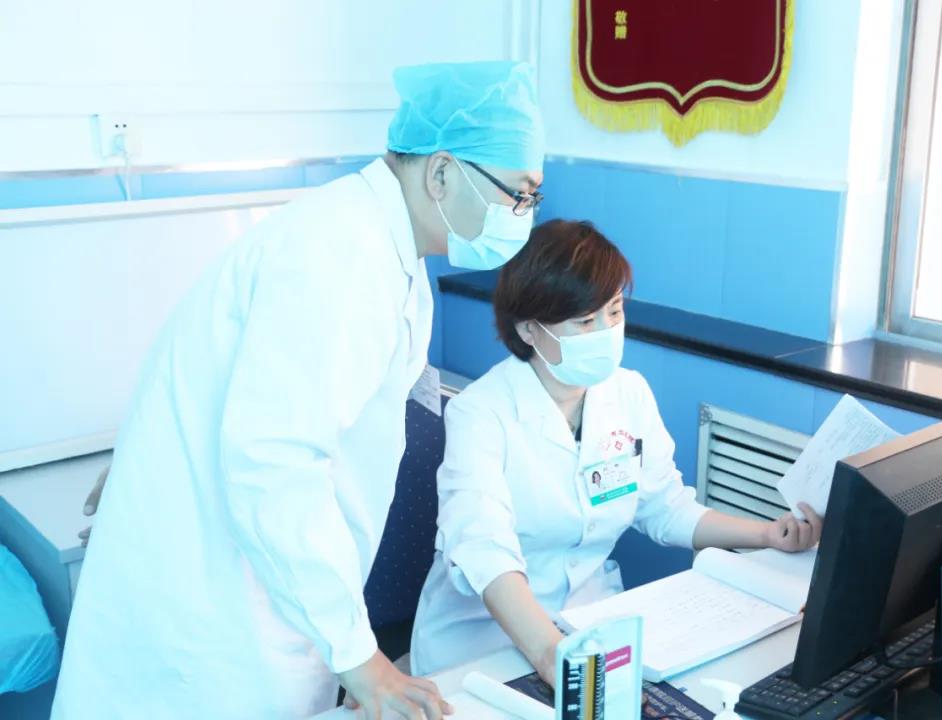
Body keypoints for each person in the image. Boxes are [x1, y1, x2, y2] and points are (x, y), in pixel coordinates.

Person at [54, 61, 544, 720]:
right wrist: (362, 662)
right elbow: (275, 461)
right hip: (219, 615)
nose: (523, 216)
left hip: (268, 587)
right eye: (519, 194)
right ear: (442, 174)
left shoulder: (382, 251)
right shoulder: (340, 254)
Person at [409, 220, 823, 684]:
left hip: (590, 623)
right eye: (585, 322)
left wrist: (766, 535)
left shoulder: (629, 393)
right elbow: (483, 547)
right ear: (529, 330)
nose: (606, 331)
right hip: (484, 642)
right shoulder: (480, 412)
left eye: (614, 311)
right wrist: (549, 653)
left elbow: (666, 509)